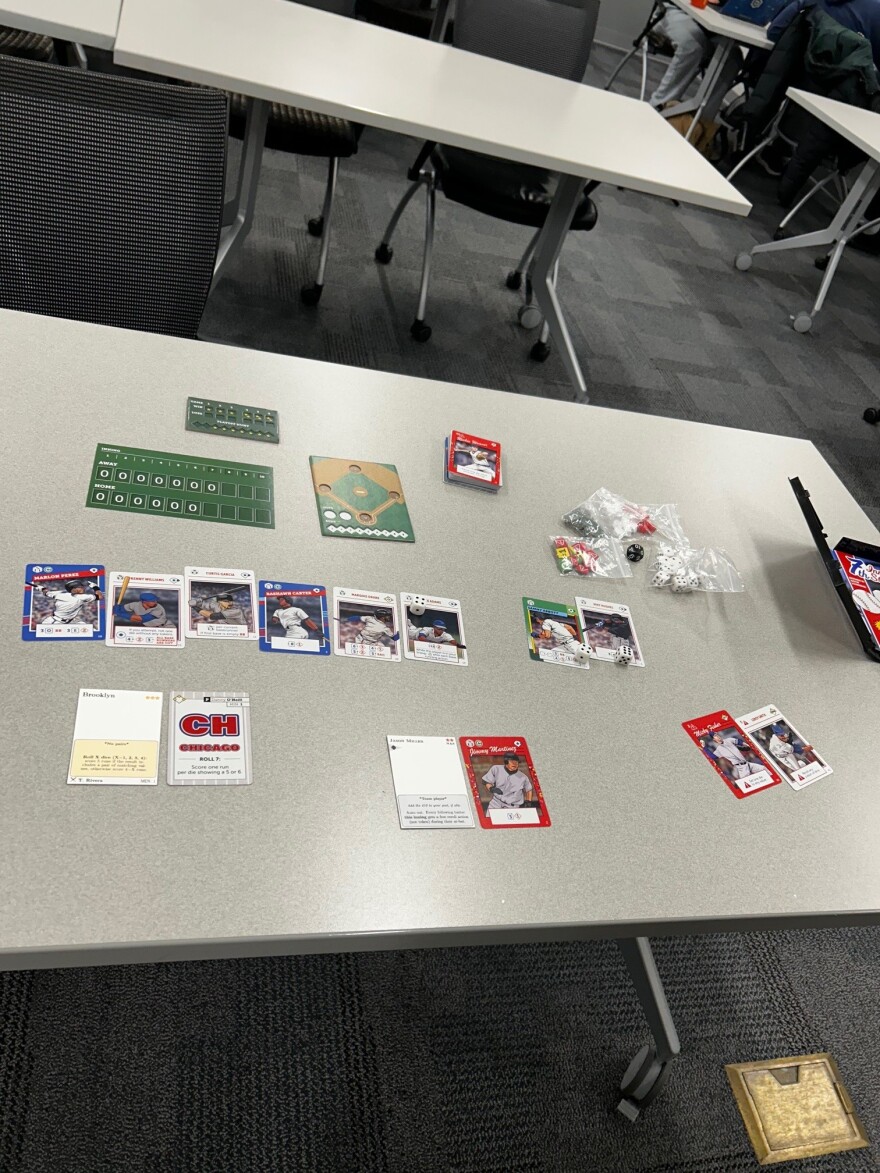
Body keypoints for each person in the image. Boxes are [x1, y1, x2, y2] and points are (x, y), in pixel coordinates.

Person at [651, 1, 743, 110]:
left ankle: (702, 118)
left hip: (712, 23)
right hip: (674, 10)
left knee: (733, 56)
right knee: (692, 45)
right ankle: (659, 107)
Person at [768, 0, 880, 65]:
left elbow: (775, 31)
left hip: (790, 82)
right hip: (843, 95)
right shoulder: (876, 10)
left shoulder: (809, 2)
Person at [35, 579, 101, 625]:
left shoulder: (59, 594)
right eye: (80, 587)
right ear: (74, 589)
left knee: (90, 631)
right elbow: (100, 596)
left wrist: (41, 588)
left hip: (73, 621)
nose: (83, 588)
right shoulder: (82, 597)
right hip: (55, 621)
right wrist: (95, 587)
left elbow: (46, 592)